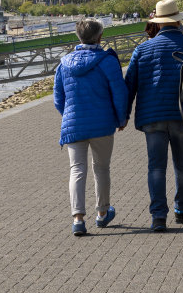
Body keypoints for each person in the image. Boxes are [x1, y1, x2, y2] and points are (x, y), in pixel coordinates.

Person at [124, 0, 183, 232]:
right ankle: (182, 209)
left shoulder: (142, 49)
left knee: (156, 167)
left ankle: (158, 217)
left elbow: (129, 84)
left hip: (152, 117)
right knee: (182, 164)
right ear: (178, 20)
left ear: (159, 23)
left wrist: (123, 115)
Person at [53, 19, 131, 237]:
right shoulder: (107, 61)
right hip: (102, 124)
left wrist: (70, 116)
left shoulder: (64, 63)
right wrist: (121, 118)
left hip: (74, 125)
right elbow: (119, 93)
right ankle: (103, 213)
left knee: (76, 169)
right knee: (101, 168)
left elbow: (58, 99)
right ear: (99, 37)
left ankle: (78, 219)